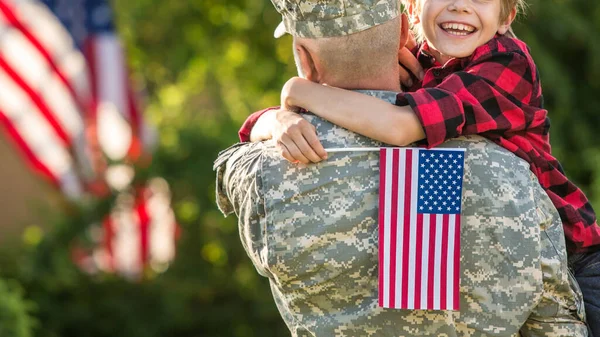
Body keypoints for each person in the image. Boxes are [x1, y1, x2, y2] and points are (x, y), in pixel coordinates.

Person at [215, 0, 587, 335]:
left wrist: (298, 93)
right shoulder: (431, 53)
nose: (459, 6)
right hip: (542, 248)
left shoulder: (508, 63)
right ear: (409, 21)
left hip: (581, 253)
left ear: (507, 18)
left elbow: (398, 128)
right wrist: (277, 119)